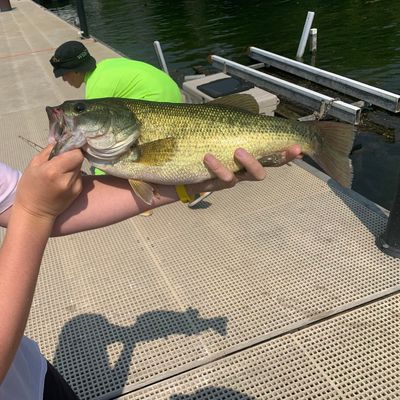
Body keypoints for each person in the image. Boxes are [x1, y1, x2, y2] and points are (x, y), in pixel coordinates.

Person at [0, 143, 302, 399]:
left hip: (31, 374)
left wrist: (190, 181)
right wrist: (34, 212)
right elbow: (31, 206)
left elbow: (22, 201)